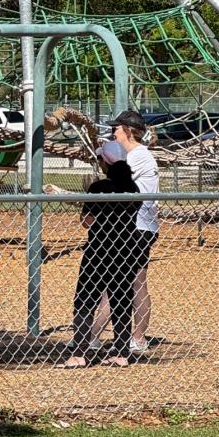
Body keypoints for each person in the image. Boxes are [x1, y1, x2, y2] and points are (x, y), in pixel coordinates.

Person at [60, 142, 142, 368]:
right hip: (125, 251)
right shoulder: (133, 189)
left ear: (105, 161)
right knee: (122, 300)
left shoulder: (99, 188)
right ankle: (122, 353)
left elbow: (87, 221)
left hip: (99, 250)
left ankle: (79, 353)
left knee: (85, 300)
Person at [94, 110, 160, 355]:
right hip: (126, 226)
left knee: (134, 283)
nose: (114, 132)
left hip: (139, 228)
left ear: (129, 131)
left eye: (117, 129)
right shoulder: (132, 155)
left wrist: (105, 154)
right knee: (114, 283)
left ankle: (138, 337)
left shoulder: (140, 156)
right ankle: (92, 335)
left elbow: (117, 175)